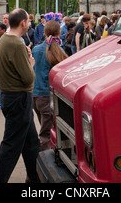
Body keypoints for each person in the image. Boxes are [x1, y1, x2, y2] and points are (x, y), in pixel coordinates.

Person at [0, 9, 41, 184]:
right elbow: (28, 78)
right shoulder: (17, 44)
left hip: (10, 97)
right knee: (11, 145)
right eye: (27, 21)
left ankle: (35, 177)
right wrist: (30, 63)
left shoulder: (3, 39)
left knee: (31, 143)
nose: (29, 24)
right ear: (22, 23)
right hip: (19, 98)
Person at [32, 20, 68, 150]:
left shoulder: (35, 50)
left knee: (43, 127)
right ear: (59, 32)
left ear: (45, 32)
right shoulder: (60, 52)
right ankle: (43, 159)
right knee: (46, 134)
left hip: (35, 96)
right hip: (48, 97)